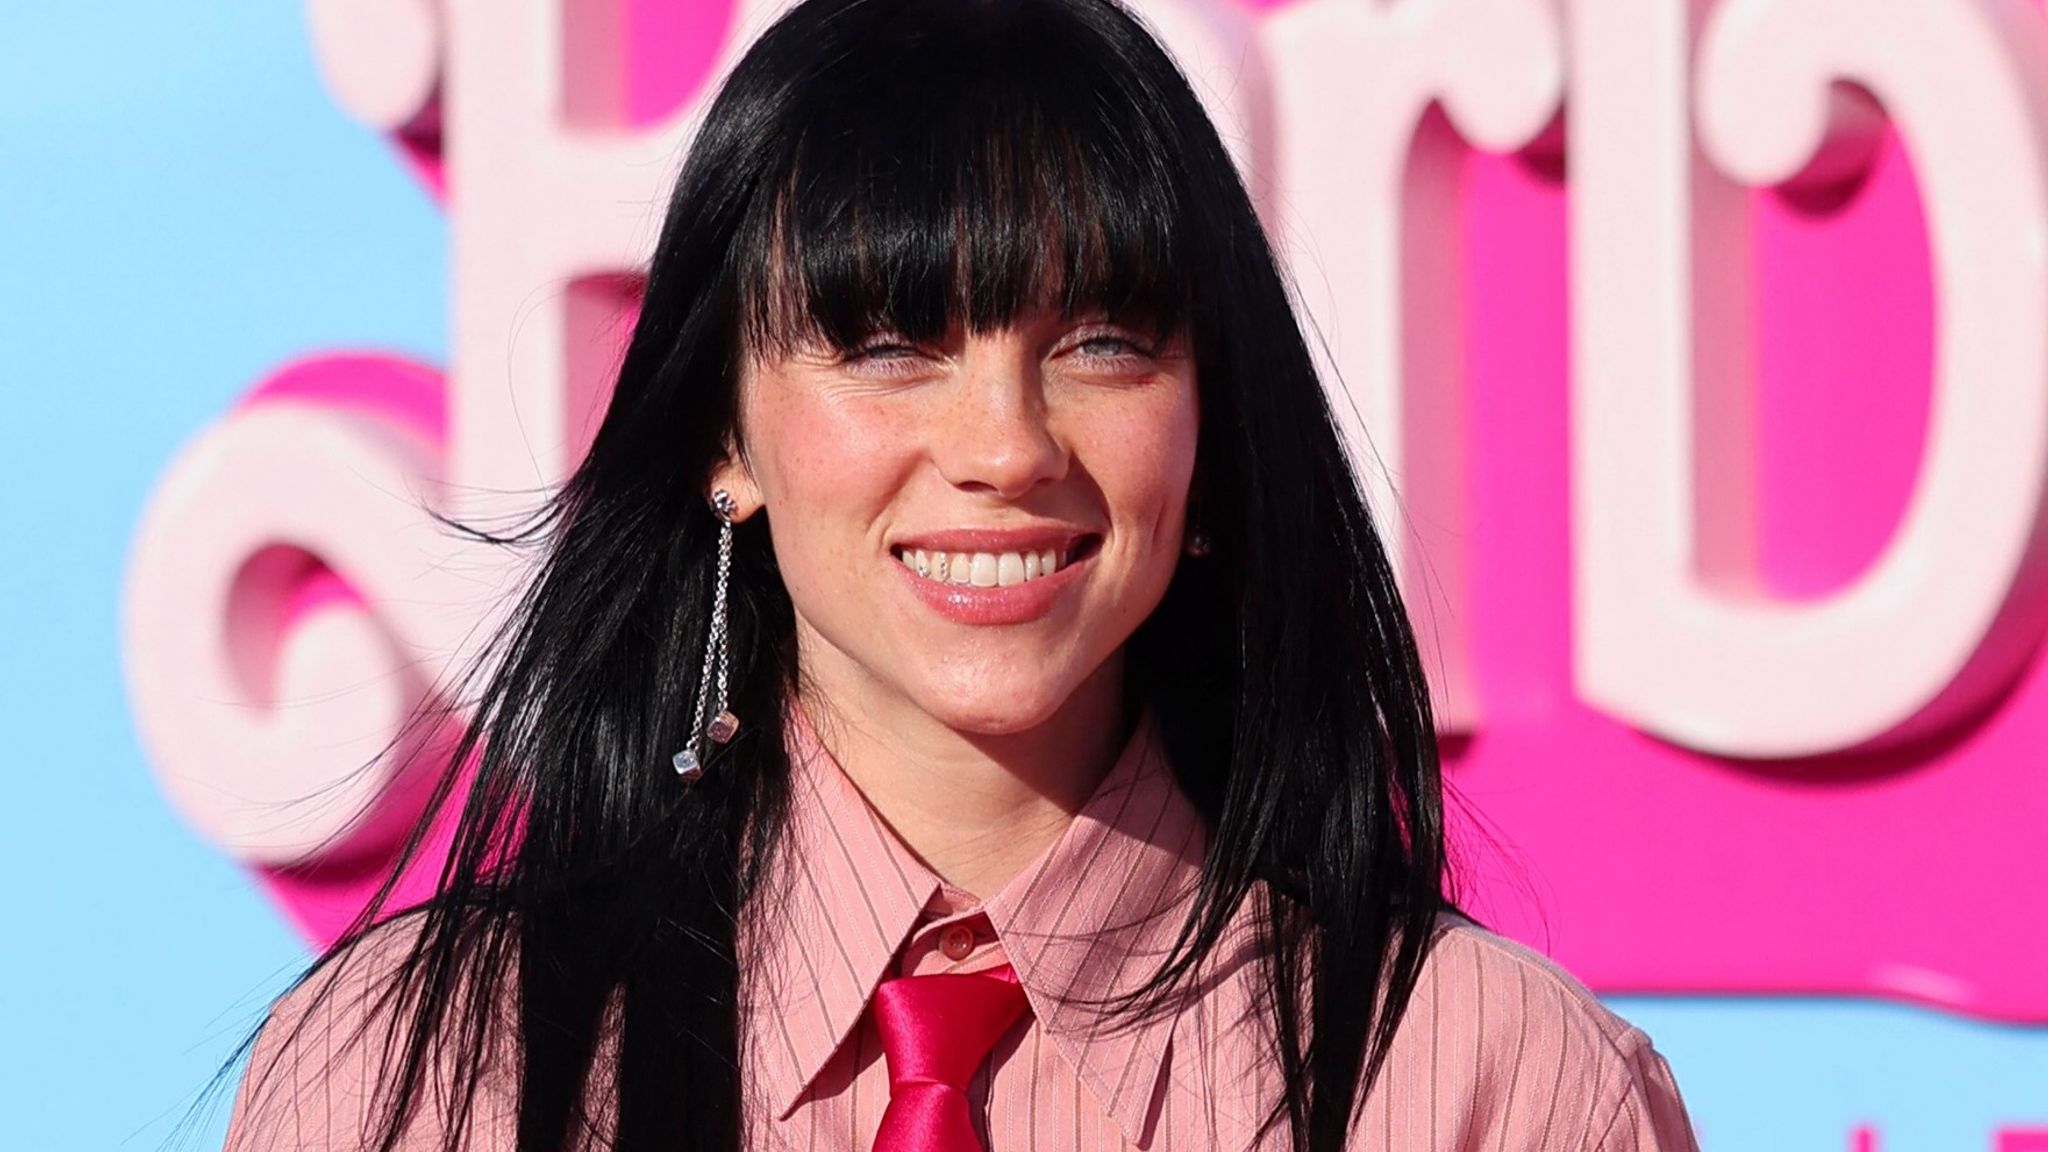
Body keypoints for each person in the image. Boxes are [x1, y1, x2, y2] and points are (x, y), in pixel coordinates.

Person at [220, 0, 1701, 1148]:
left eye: (1102, 344)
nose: (1005, 444)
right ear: (718, 436)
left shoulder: (1492, 1089)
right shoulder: (414, 1081)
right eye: (889, 344)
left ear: (1210, 436)